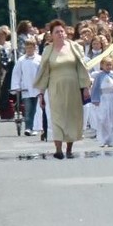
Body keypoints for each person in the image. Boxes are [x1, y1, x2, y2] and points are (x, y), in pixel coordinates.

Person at [33, 19, 92, 159]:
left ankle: (69, 149)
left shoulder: (74, 47)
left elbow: (82, 69)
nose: (60, 34)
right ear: (51, 35)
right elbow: (44, 72)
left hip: (73, 88)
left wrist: (85, 87)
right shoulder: (48, 50)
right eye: (56, 32)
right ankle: (58, 149)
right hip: (55, 88)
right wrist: (41, 93)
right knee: (57, 117)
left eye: (61, 31)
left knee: (72, 116)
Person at [10, 37, 41, 135]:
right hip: (26, 89)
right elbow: (16, 74)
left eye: (31, 48)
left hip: (37, 89)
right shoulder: (21, 60)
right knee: (27, 109)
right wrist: (16, 86)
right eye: (27, 48)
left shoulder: (39, 59)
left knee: (37, 110)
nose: (29, 50)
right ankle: (28, 127)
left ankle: (36, 127)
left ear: (34, 48)